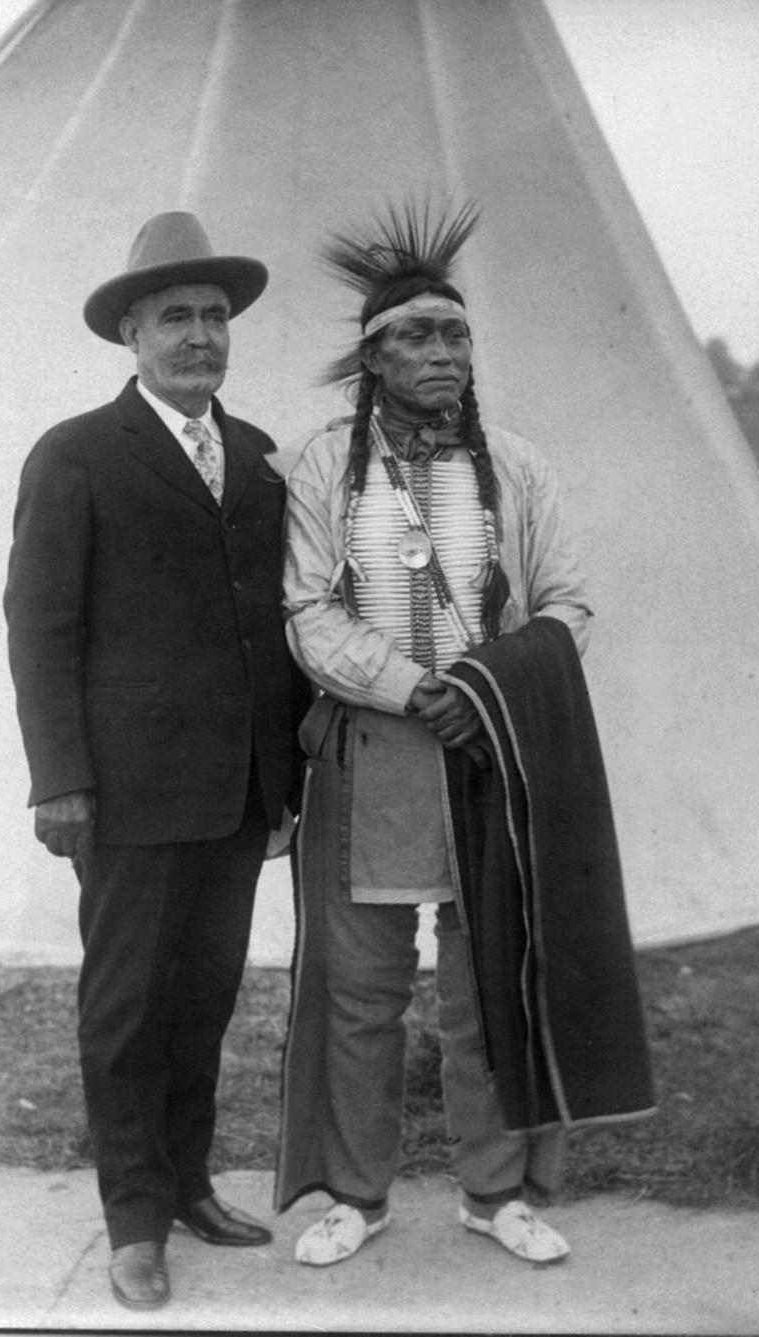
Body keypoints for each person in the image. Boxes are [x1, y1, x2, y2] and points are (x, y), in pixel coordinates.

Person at [274, 200, 655, 1268]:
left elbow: (569, 602)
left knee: (488, 985)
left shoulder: (519, 466)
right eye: (416, 336)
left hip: (494, 754)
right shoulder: (322, 468)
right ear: (372, 359)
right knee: (362, 992)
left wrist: (481, 688)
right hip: (373, 755)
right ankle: (357, 1192)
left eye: (455, 334)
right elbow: (308, 608)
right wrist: (410, 687)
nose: (441, 352)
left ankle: (496, 1193)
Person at [4, 212, 304, 1311]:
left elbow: (277, 622)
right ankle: (133, 1221)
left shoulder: (264, 454)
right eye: (174, 316)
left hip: (237, 789)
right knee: (128, 1006)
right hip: (128, 790)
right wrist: (61, 777)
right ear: (131, 332)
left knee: (204, 998)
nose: (199, 336)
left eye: (215, 316)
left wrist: (284, 782)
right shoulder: (77, 452)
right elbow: (39, 626)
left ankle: (188, 1184)